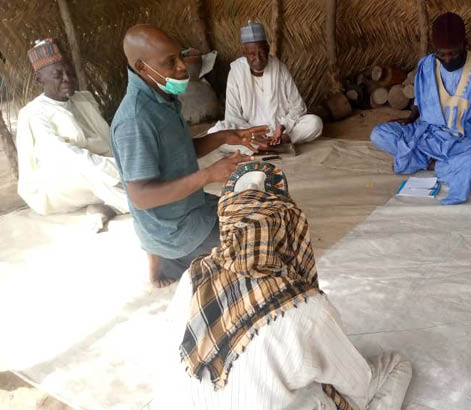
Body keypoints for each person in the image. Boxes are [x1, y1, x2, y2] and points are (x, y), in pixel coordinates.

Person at [149, 165, 412, 410]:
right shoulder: (306, 307)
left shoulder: (194, 275)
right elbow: (358, 387)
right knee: (395, 366)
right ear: (285, 227)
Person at [111, 25, 267, 288]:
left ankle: (171, 258)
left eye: (180, 57)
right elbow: (141, 197)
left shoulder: (162, 97)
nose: (182, 67)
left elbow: (178, 152)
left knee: (260, 212)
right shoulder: (136, 120)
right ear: (142, 67)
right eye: (170, 62)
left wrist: (226, 136)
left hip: (191, 210)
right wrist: (208, 175)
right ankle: (175, 259)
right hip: (175, 230)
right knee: (260, 243)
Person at [370, 12, 471, 205]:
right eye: (442, 54)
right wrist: (410, 118)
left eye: (453, 53)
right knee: (379, 134)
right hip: (432, 135)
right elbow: (421, 96)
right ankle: (443, 164)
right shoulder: (426, 65)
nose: (448, 59)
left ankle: (429, 163)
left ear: (465, 44)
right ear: (435, 50)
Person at [15, 39, 128, 231]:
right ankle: (132, 203)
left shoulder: (84, 98)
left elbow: (106, 139)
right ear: (39, 79)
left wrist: (122, 161)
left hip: (96, 168)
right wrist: (119, 167)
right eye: (58, 75)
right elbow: (65, 158)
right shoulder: (33, 113)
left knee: (127, 165)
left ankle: (106, 207)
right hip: (56, 183)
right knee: (92, 171)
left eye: (69, 72)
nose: (67, 79)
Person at [208, 21, 323, 153]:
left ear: (268, 49)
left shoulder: (279, 68)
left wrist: (283, 126)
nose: (258, 59)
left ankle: (279, 141)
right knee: (215, 133)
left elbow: (298, 106)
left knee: (315, 123)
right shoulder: (236, 71)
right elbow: (232, 115)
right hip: (249, 133)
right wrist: (253, 135)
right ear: (244, 52)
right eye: (252, 54)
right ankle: (267, 146)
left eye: (262, 53)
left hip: (279, 130)